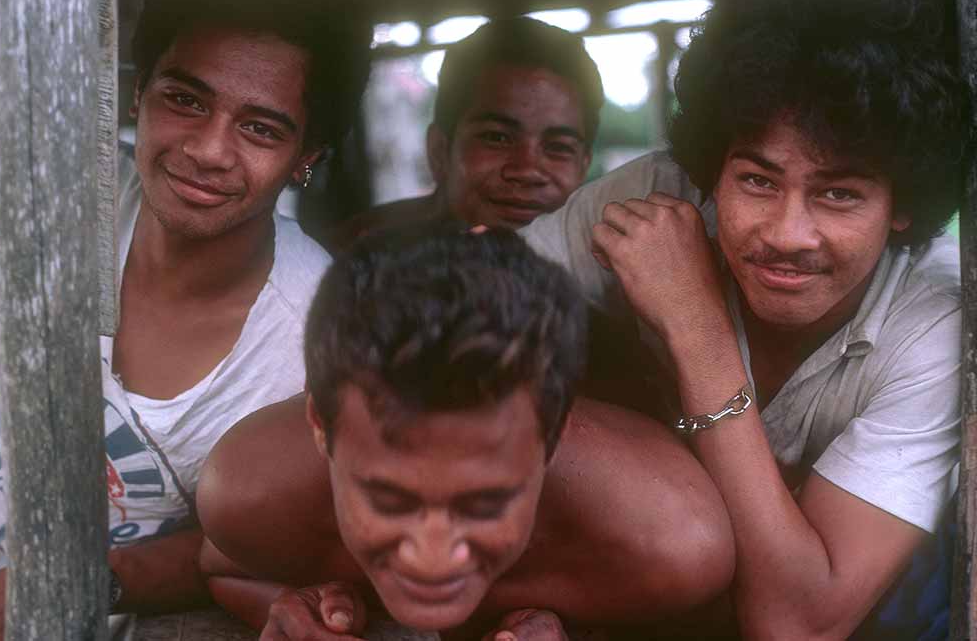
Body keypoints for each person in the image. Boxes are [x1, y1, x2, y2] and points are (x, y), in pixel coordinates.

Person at [521, 0, 970, 638]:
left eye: (839, 193)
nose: (788, 234)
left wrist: (696, 326)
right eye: (758, 180)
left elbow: (794, 622)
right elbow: (444, 326)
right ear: (711, 173)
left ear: (902, 204)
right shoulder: (654, 204)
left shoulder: (934, 317)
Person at [0, 0, 370, 639]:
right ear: (137, 93)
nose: (208, 150)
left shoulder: (319, 340)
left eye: (259, 127)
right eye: (185, 100)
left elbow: (235, 555)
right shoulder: (59, 195)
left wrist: (59, 581)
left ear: (307, 155)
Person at [197, 227, 735, 639]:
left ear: (552, 434)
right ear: (321, 426)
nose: (433, 558)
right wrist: (310, 605)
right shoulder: (248, 489)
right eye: (388, 499)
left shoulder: (672, 541)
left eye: (484, 503)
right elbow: (220, 570)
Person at [328, 16, 602, 251]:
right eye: (497, 138)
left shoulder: (608, 273)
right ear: (439, 151)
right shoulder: (359, 260)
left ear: (583, 166)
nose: (528, 170)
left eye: (558, 147)